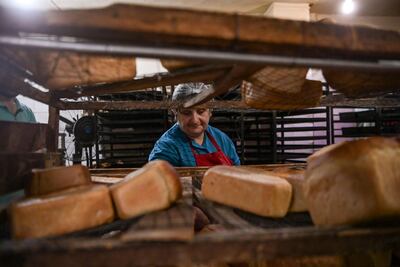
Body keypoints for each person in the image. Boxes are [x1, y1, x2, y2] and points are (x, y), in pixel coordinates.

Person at [149, 82, 240, 167]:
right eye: (186, 113)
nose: (195, 120)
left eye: (201, 111)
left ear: (210, 111)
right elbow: (158, 181)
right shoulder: (167, 148)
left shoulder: (221, 139)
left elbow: (237, 174)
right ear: (175, 113)